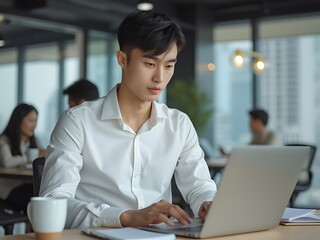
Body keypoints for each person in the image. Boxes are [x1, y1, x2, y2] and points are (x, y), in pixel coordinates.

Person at [40, 10, 217, 229]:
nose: (160, 78)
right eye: (150, 64)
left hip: (158, 236)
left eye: (169, 65)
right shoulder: (78, 121)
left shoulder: (179, 124)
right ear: (122, 59)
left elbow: (199, 186)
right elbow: (54, 203)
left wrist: (207, 203)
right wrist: (125, 217)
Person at [0, 103, 44, 211]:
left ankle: (35, 227)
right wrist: (29, 158)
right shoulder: (4, 140)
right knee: (37, 200)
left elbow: (41, 159)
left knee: (44, 195)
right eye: (30, 121)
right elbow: (7, 161)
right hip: (8, 189)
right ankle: (34, 227)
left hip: (27, 185)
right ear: (18, 120)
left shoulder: (34, 141)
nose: (34, 125)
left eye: (35, 121)